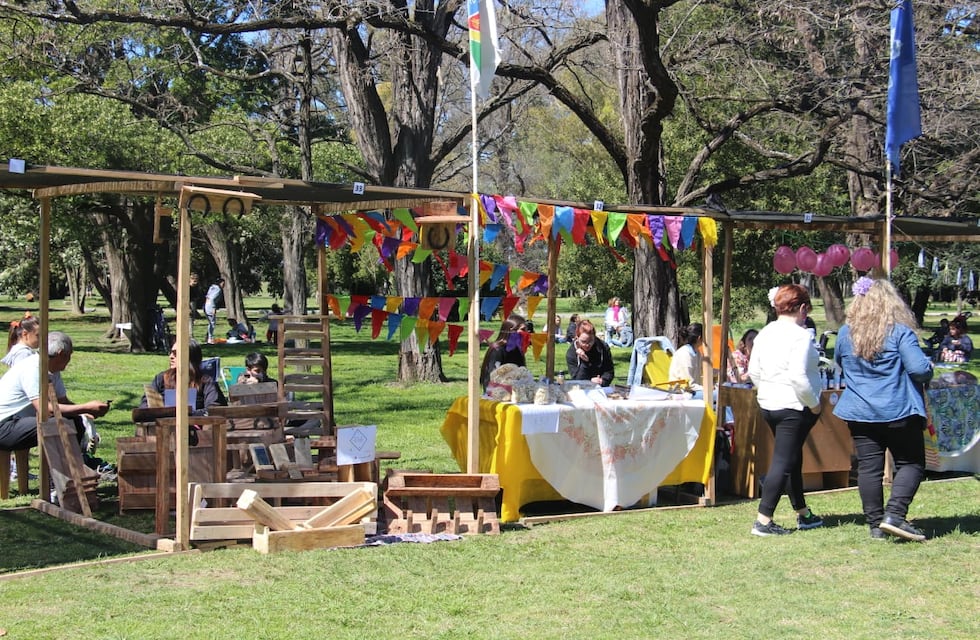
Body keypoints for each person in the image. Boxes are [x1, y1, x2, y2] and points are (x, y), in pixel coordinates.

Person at [834, 277, 934, 541]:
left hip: (860, 412)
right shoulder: (900, 332)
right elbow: (918, 369)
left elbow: (838, 363)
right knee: (911, 463)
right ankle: (895, 515)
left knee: (869, 468)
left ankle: (876, 524)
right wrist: (930, 368)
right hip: (898, 409)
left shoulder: (845, 333)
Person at [747, 284, 824, 536]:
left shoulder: (765, 332)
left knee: (791, 458)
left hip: (769, 403)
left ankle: (803, 512)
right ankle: (763, 519)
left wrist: (766, 390)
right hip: (794, 405)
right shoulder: (801, 335)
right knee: (783, 461)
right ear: (802, 308)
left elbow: (754, 371)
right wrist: (814, 405)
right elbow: (799, 377)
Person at [0, 331, 110, 454]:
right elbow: (46, 410)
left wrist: (85, 411)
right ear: (61, 354)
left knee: (75, 421)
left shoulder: (53, 370)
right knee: (57, 424)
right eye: (69, 355)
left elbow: (62, 402)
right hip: (4, 426)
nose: (70, 360)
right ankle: (63, 469)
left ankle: (76, 463)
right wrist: (85, 407)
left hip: (18, 420)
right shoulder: (33, 368)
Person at [139, 339, 226, 415]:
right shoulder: (161, 379)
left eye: (175, 354)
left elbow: (214, 409)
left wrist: (188, 414)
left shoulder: (205, 381)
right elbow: (145, 405)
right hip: (162, 428)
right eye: (171, 353)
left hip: (195, 429)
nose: (171, 357)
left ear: (189, 356)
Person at [480, 315, 529, 390]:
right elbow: (492, 376)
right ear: (511, 330)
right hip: (496, 391)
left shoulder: (518, 350)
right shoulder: (497, 349)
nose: (526, 333)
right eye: (523, 329)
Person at [566, 319, 615, 386]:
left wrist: (603, 380)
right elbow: (577, 380)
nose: (587, 345)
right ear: (577, 338)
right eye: (583, 341)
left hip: (601, 387)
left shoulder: (602, 347)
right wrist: (584, 362)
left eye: (590, 341)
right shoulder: (571, 353)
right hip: (581, 390)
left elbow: (609, 370)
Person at [668, 323, 705, 391]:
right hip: (682, 392)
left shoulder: (697, 353)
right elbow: (688, 384)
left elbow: (705, 369)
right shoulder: (685, 354)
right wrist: (707, 389)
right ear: (699, 338)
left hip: (694, 390)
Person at [204, 277, 224, 344]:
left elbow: (207, 296)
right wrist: (213, 308)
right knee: (212, 323)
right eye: (223, 283)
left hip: (206, 305)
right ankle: (210, 338)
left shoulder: (212, 287)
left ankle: (207, 337)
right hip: (210, 306)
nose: (223, 285)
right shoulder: (218, 289)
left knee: (210, 322)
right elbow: (212, 299)